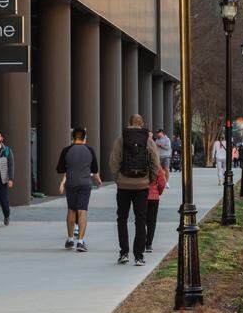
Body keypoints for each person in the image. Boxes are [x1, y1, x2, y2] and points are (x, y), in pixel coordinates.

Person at [108, 114, 160, 266]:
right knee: (140, 220)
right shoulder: (148, 140)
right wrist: (149, 180)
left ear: (129, 123)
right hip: (142, 186)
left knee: (122, 218)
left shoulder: (121, 138)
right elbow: (155, 163)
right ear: (142, 123)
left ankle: (124, 253)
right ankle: (138, 256)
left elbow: (113, 161)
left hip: (123, 185)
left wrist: (118, 178)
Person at [56, 128, 101, 252]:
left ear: (73, 137)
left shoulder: (66, 150)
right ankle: (80, 242)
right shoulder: (90, 150)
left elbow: (60, 169)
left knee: (71, 210)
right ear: (85, 137)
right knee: (82, 211)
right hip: (85, 183)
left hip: (71, 183)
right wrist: (98, 181)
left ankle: (70, 240)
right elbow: (94, 169)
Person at [144, 156, 168, 253]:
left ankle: (141, 241)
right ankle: (149, 244)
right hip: (154, 197)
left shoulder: (142, 166)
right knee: (152, 221)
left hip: (142, 196)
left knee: (141, 220)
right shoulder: (157, 167)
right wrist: (158, 192)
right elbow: (162, 183)